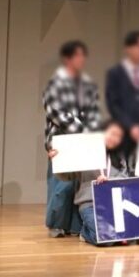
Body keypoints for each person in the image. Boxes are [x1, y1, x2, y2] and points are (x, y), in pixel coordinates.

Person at [44, 40, 101, 238]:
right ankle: (56, 223)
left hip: (83, 139)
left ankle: (76, 225)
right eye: (77, 55)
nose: (81, 59)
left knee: (80, 182)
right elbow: (56, 113)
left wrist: (92, 132)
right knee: (61, 184)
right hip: (63, 139)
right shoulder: (55, 84)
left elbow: (94, 112)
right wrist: (83, 129)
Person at [55, 120, 128, 246]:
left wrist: (110, 181)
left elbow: (125, 177)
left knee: (126, 236)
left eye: (118, 136)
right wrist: (57, 160)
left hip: (114, 205)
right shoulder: (85, 152)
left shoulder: (119, 157)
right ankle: (85, 233)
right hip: (90, 204)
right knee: (106, 240)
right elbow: (67, 176)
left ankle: (98, 231)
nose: (114, 139)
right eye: (112, 133)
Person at [106, 31, 139, 154]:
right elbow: (113, 104)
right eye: (137, 46)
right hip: (122, 131)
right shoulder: (115, 73)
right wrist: (130, 126)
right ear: (127, 48)